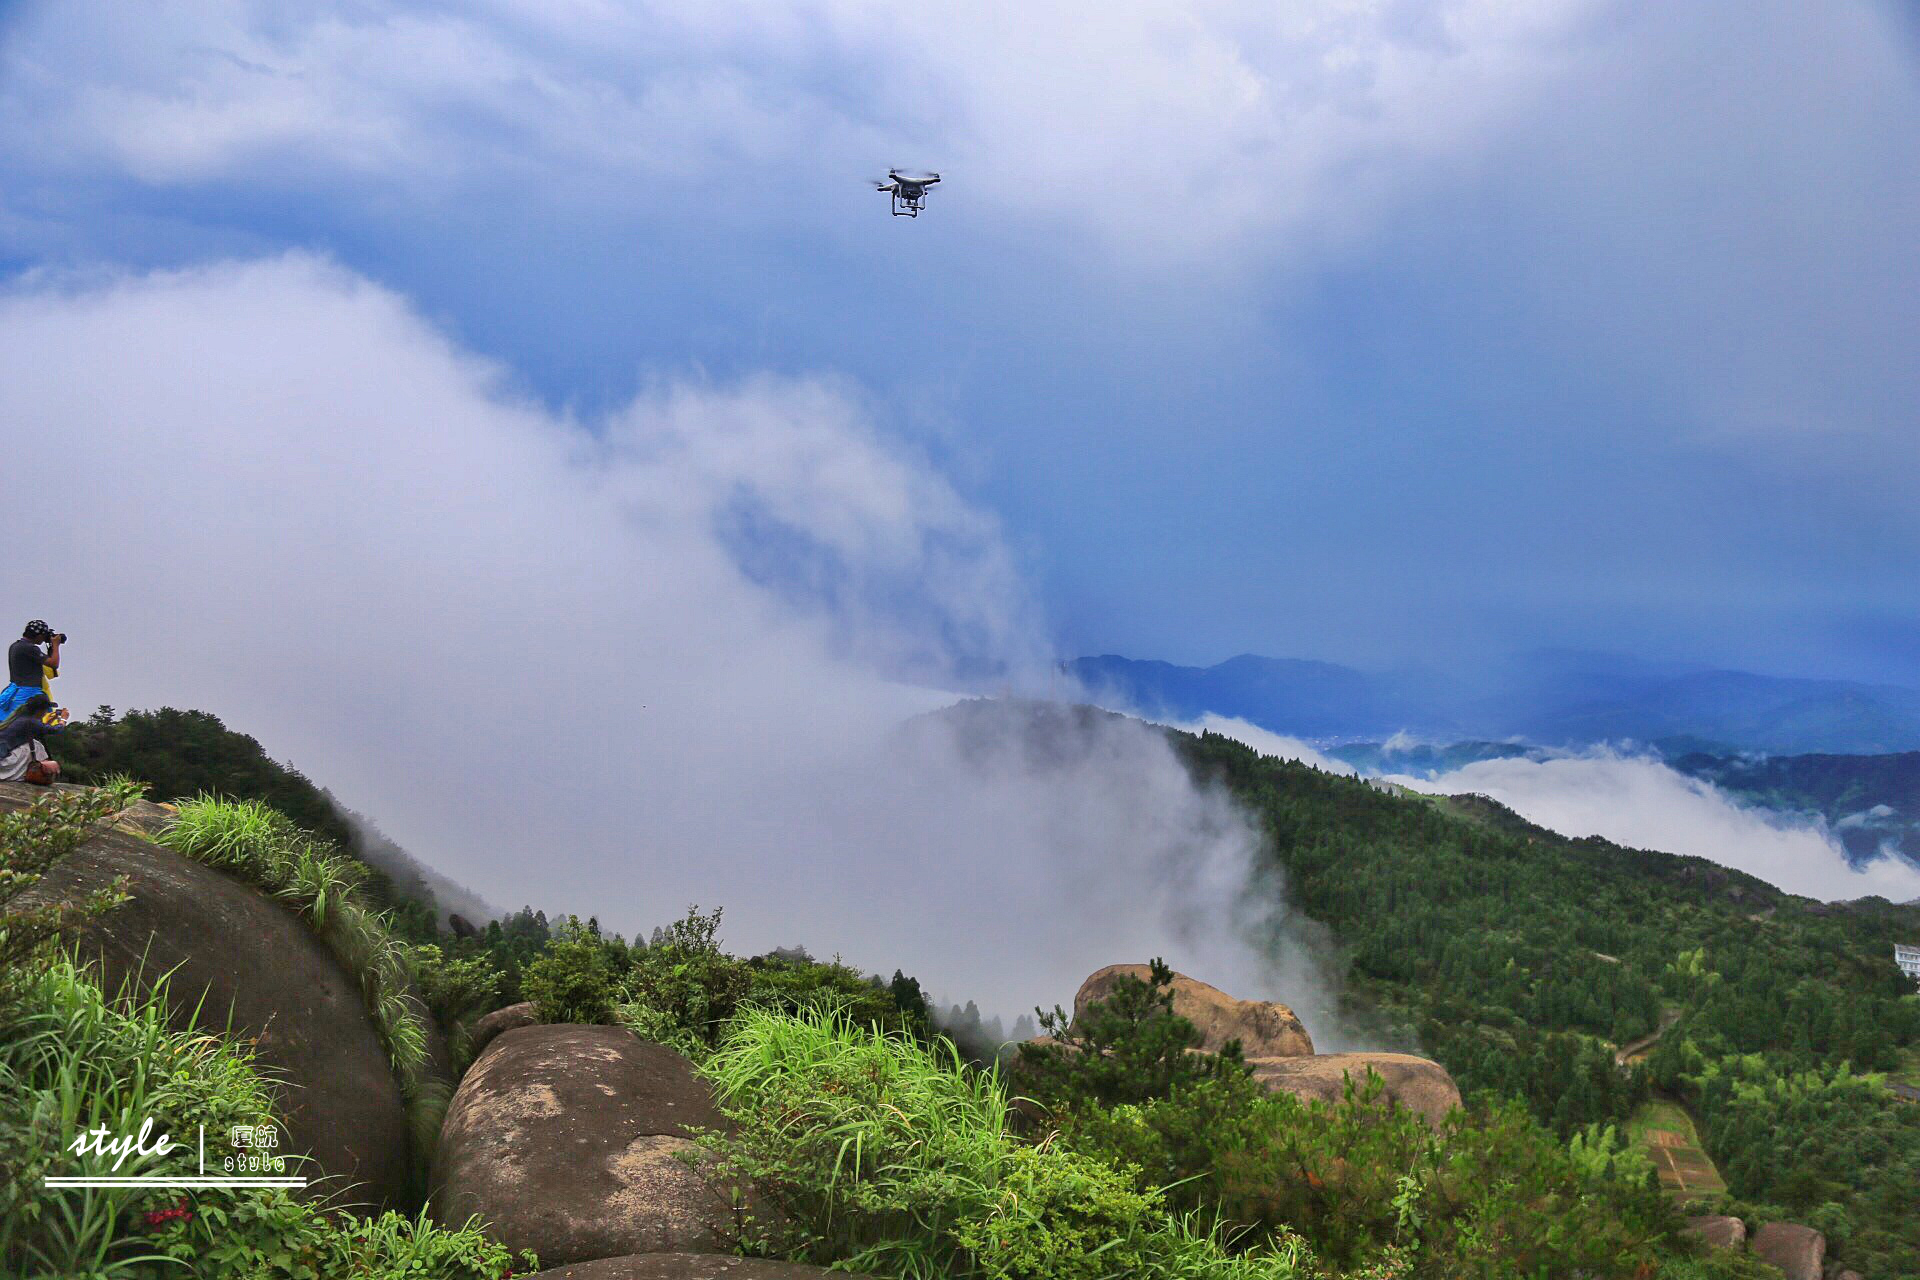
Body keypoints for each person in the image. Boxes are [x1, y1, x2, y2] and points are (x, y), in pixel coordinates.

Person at [0, 692, 63, 784]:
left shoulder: (21, 718)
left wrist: (51, 720)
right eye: (46, 710)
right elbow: (56, 730)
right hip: (4, 760)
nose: (46, 712)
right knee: (36, 746)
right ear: (39, 710)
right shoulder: (30, 722)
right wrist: (63, 719)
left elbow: (40, 728)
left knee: (34, 744)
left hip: (4, 754)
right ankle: (41, 772)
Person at [3, 620, 61, 719]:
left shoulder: (15, 646)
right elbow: (54, 663)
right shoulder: (30, 648)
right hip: (28, 692)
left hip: (14, 690)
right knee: (28, 721)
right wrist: (55, 645)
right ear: (38, 636)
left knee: (9, 720)